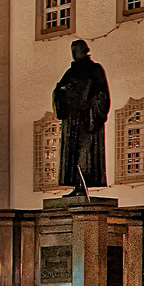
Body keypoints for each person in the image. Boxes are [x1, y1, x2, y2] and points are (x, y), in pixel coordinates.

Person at [53, 39, 110, 195]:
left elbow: (102, 94)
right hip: (72, 119)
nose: (74, 53)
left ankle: (83, 183)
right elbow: (58, 90)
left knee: (85, 153)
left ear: (84, 50)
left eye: (76, 50)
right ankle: (77, 183)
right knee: (72, 153)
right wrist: (62, 92)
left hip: (86, 118)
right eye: (72, 50)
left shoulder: (94, 69)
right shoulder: (70, 72)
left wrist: (90, 107)